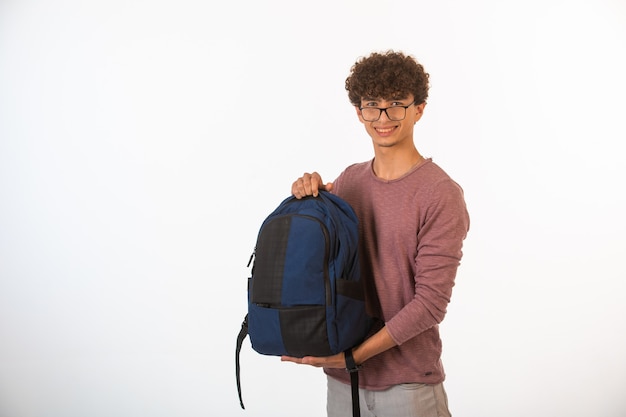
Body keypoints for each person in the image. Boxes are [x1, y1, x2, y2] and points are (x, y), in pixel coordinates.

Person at [282, 50, 470, 417]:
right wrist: (310, 192)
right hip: (343, 384)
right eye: (372, 105)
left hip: (409, 385)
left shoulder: (440, 192)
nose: (383, 118)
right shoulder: (350, 180)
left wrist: (353, 356)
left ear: (419, 109)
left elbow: (430, 305)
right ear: (359, 112)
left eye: (396, 104)